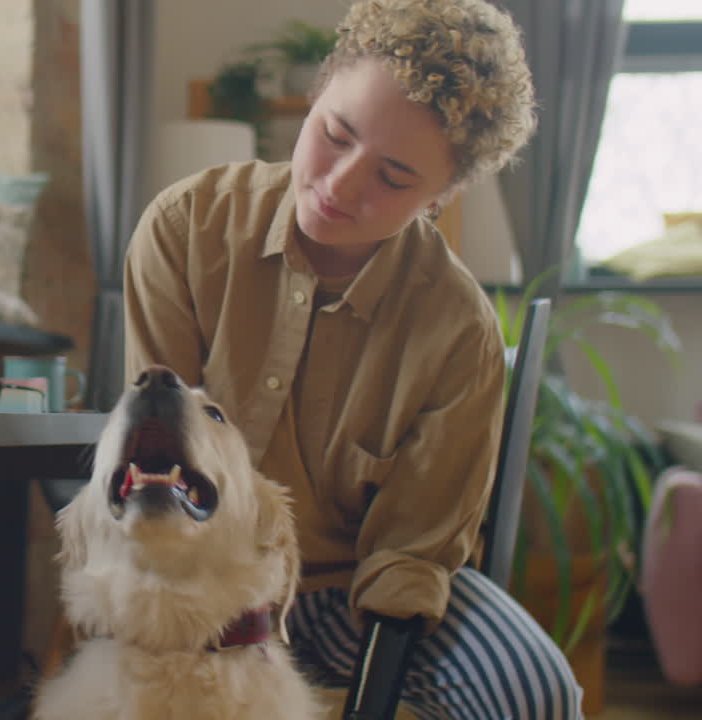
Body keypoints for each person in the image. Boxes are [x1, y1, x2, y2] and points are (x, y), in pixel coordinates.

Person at [124, 0, 580, 718]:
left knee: (535, 690)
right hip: (189, 581)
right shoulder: (188, 230)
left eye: (394, 179)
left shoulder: (458, 332)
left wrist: (371, 694)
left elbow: (411, 555)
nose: (339, 186)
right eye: (333, 135)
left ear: (442, 196)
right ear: (317, 96)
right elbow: (153, 460)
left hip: (351, 598)